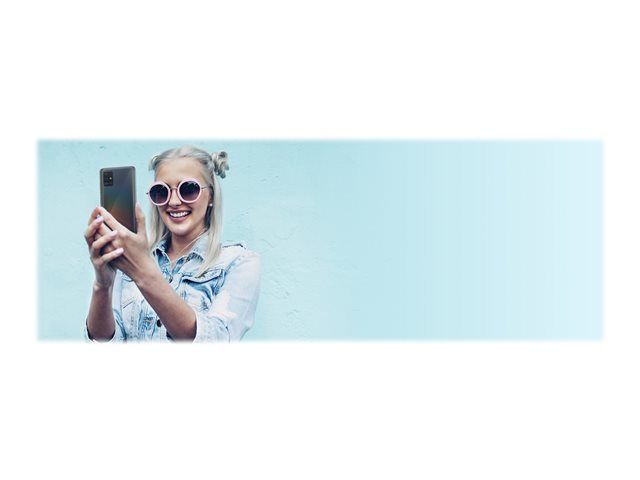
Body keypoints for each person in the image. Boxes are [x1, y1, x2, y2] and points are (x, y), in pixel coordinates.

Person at [83, 146, 261, 342]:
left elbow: (215, 340)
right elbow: (103, 343)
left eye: (188, 189)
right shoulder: (130, 260)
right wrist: (103, 285)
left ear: (210, 195)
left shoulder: (239, 263)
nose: (174, 201)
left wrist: (143, 272)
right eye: (162, 192)